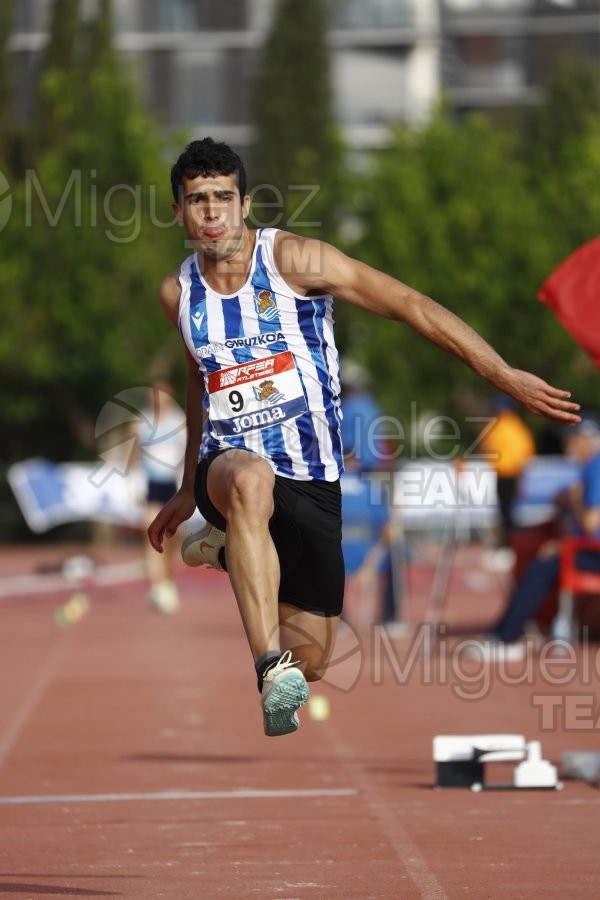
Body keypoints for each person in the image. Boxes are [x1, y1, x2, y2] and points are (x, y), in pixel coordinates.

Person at [147, 137, 580, 737]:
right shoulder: (178, 293)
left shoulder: (296, 261)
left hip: (315, 476)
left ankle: (227, 552)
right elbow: (200, 375)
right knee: (248, 481)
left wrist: (502, 373)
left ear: (245, 204)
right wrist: (190, 485)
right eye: (198, 200)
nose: (212, 211)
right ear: (178, 211)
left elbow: (409, 304)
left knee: (318, 660)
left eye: (224, 197)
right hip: (234, 462)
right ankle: (269, 668)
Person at [469, 415, 600, 661]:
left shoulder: (596, 466)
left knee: (542, 567)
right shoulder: (588, 468)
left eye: (571, 440)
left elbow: (592, 523)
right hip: (587, 548)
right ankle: (513, 629)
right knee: (536, 554)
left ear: (586, 440)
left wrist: (572, 501)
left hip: (593, 552)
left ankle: (509, 636)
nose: (566, 446)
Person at [132, 380, 187, 613]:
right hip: (151, 486)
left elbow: (186, 454)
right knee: (150, 530)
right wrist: (134, 484)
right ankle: (157, 585)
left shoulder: (179, 421)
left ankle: (168, 577)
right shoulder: (140, 423)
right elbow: (134, 457)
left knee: (173, 534)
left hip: (173, 486)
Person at [479, 394, 536, 571]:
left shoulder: (511, 427)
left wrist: (520, 477)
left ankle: (509, 547)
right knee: (504, 511)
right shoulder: (503, 425)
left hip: (510, 474)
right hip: (503, 473)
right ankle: (506, 545)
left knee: (507, 512)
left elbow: (523, 454)